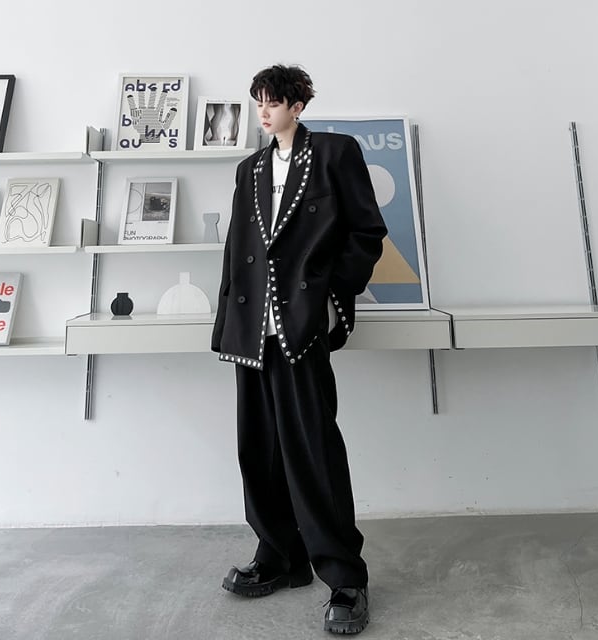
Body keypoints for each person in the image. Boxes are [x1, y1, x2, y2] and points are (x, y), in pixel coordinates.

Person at [211, 64, 387, 635]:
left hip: (300, 325)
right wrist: (226, 324)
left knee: (313, 449)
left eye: (274, 102)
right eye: (258, 102)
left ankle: (344, 576)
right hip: (251, 329)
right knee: (257, 448)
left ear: (297, 105)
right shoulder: (250, 169)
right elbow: (237, 249)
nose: (264, 111)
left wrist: (332, 295)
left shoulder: (335, 153)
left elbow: (366, 232)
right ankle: (279, 555)